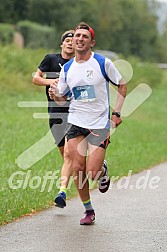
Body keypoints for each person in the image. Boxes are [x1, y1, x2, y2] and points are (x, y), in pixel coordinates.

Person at [49, 22, 127, 225]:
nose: (80, 39)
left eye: (84, 36)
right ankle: (88, 210)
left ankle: (102, 170)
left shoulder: (102, 63)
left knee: (92, 172)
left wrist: (117, 112)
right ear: (72, 41)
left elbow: (122, 84)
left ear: (91, 42)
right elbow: (63, 99)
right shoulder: (67, 68)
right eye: (77, 36)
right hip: (75, 121)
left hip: (99, 123)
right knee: (78, 167)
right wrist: (55, 94)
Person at [32, 30, 75, 208]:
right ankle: (97, 165)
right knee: (66, 156)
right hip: (55, 113)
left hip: (74, 113)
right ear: (62, 44)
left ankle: (62, 192)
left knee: (68, 154)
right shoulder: (50, 59)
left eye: (73, 41)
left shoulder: (78, 64)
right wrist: (52, 82)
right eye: (67, 40)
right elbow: (36, 78)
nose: (71, 43)